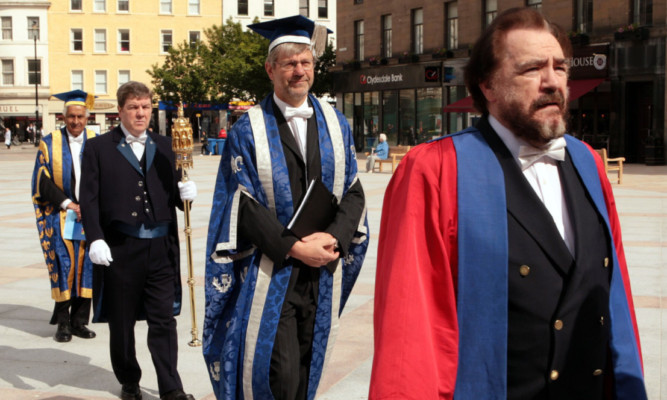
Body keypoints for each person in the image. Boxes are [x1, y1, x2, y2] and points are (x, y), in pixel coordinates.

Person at [370, 7, 647, 400]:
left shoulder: (587, 162)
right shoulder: (434, 171)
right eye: (532, 68)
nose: (553, 82)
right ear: (488, 86)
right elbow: (408, 327)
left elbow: (615, 297)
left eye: (560, 67)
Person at [202, 15, 368, 400]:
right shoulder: (249, 128)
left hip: (323, 269)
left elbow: (354, 192)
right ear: (270, 69)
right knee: (281, 376)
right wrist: (295, 247)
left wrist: (334, 238)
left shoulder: (336, 123)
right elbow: (240, 204)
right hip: (273, 270)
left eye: (305, 62)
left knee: (310, 367)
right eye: (289, 63)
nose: (299, 71)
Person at [80, 81, 198, 400]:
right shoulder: (98, 148)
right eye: (133, 107)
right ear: (120, 111)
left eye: (145, 107)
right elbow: (88, 199)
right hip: (120, 248)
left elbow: (175, 191)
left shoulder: (166, 144)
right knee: (122, 323)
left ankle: (171, 387)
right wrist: (95, 239)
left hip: (160, 248)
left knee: (164, 321)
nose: (140, 113)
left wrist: (186, 194)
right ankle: (129, 379)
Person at [31, 90, 98, 342]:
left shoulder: (96, 140)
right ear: (63, 116)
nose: (75, 121)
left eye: (80, 116)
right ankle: (62, 323)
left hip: (90, 215)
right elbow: (41, 180)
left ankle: (80, 322)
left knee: (87, 266)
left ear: (86, 117)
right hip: (61, 215)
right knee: (64, 265)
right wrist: (68, 203)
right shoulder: (49, 143)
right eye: (71, 116)